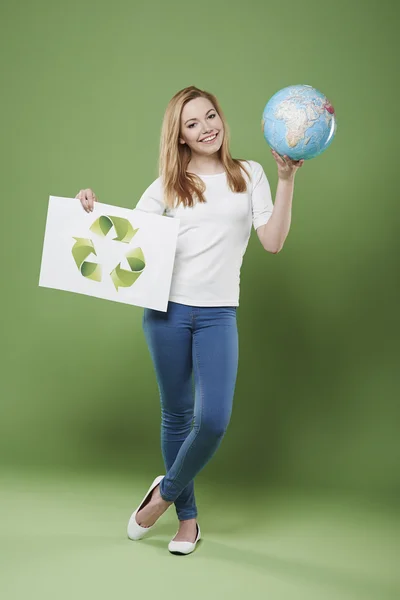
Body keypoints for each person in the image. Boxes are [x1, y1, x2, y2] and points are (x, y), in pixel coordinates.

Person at [75, 85, 304, 555]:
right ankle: (189, 521)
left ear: (222, 116)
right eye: (192, 123)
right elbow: (124, 237)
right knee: (177, 415)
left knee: (214, 419)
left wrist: (286, 179)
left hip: (219, 313)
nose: (207, 128)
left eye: (211, 115)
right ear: (179, 137)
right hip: (166, 313)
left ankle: (163, 494)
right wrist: (89, 210)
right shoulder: (167, 184)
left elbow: (274, 241)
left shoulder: (250, 174)